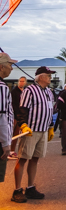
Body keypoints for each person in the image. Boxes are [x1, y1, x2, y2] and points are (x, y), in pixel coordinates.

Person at [12, 66, 55, 203]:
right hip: (31, 130)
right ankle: (17, 190)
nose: (50, 78)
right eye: (48, 75)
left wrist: (51, 126)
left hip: (43, 130)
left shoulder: (49, 92)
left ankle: (30, 187)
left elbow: (49, 110)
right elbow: (22, 109)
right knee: (23, 158)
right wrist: (22, 124)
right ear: (41, 77)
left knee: (35, 158)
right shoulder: (29, 90)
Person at [0, 52, 17, 187]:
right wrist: (6, 144)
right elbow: (1, 116)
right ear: (1, 67)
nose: (11, 68)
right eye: (10, 65)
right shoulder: (2, 87)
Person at [9, 75, 26, 159]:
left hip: (20, 116)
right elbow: (12, 104)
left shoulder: (25, 92)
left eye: (23, 81)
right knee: (11, 133)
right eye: (20, 81)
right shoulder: (14, 91)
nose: (21, 82)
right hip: (14, 115)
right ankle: (8, 150)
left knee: (17, 134)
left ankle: (12, 151)